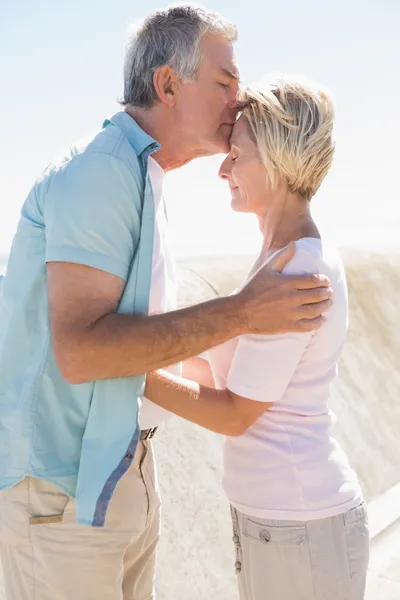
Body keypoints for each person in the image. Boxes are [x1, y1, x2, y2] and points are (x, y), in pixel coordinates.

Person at [0, 7, 332, 600]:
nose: (239, 99)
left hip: (117, 475)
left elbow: (140, 343)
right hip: (62, 493)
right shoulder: (101, 174)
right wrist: (242, 312)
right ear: (168, 84)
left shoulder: (141, 177)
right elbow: (80, 350)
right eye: (225, 82)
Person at [144, 75, 370, 599]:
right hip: (285, 523)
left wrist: (126, 371)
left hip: (300, 524)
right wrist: (143, 352)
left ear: (277, 160)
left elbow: (234, 413)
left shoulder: (298, 268)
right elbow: (224, 376)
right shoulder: (279, 259)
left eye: (237, 155)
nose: (223, 169)